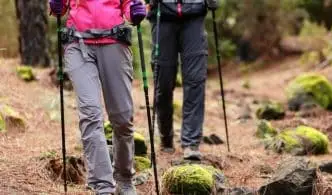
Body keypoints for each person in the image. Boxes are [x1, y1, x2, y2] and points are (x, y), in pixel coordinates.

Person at [49, 0, 146, 194]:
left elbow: (128, 5)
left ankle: (124, 179)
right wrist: (56, 5)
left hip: (114, 42)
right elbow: (60, 6)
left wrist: (134, 10)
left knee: (122, 117)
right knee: (91, 114)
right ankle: (103, 185)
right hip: (78, 43)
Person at [146, 0, 218, 160]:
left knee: (195, 81)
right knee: (163, 84)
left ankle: (191, 143)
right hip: (162, 15)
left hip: (194, 15)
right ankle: (166, 138)